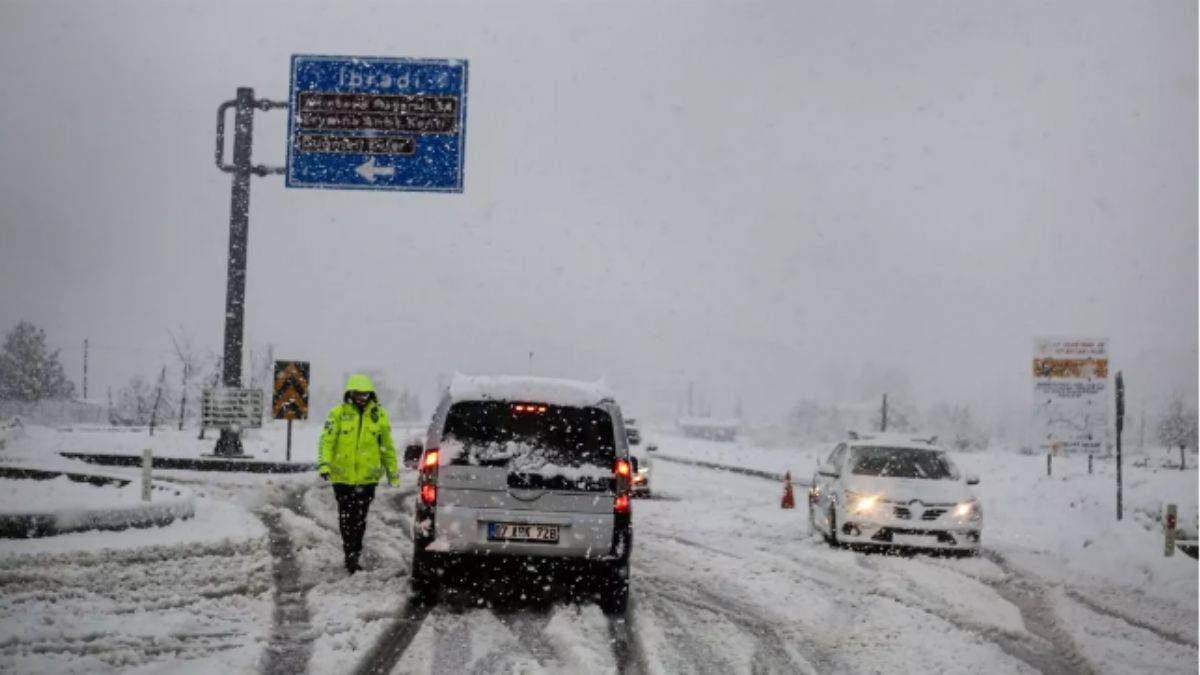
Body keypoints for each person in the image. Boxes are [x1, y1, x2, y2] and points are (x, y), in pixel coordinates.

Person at [318, 374, 400, 574]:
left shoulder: (379, 416)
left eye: (365, 395)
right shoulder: (337, 414)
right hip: (343, 479)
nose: (361, 398)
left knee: (360, 518)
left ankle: (355, 551)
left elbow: (387, 447)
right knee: (346, 518)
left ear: (371, 395)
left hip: (367, 479)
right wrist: (324, 465)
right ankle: (350, 552)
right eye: (357, 394)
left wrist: (393, 473)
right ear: (350, 394)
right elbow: (326, 441)